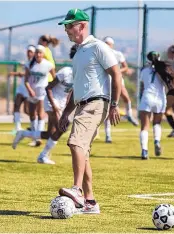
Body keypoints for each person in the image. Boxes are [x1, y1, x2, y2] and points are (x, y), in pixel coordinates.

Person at [56, 8, 122, 214]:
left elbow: (116, 74)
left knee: (75, 142)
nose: (66, 30)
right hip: (82, 104)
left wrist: (114, 104)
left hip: (95, 104)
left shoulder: (98, 47)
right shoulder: (78, 54)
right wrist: (66, 112)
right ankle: (90, 202)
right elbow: (76, 87)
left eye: (69, 25)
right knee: (82, 152)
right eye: (65, 26)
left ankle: (77, 190)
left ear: (82, 26)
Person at [12, 45, 77, 164]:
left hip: (60, 104)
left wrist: (66, 106)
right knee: (61, 127)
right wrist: (55, 105)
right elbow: (49, 88)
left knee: (50, 133)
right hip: (51, 101)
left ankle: (24, 134)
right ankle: (42, 156)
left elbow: (70, 92)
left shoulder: (80, 75)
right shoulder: (66, 72)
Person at [139, 51, 174, 159]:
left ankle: (144, 151)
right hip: (160, 99)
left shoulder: (144, 70)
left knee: (145, 127)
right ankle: (157, 141)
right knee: (157, 123)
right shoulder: (164, 69)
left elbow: (142, 86)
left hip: (147, 97)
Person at [12, 45, 55, 149]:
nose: (38, 55)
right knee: (32, 114)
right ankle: (34, 136)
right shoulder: (30, 64)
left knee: (41, 114)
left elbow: (54, 78)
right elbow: (26, 80)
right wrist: (30, 90)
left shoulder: (48, 65)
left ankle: (38, 138)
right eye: (37, 53)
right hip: (32, 91)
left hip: (42, 91)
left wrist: (51, 90)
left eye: (40, 53)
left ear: (43, 54)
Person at [102, 36, 138, 143]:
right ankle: (108, 135)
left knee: (126, 98)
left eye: (109, 43)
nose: (107, 45)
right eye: (106, 43)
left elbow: (125, 67)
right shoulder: (102, 54)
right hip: (106, 81)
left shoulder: (117, 54)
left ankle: (129, 115)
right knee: (109, 108)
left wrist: (117, 72)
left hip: (117, 79)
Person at [9, 45, 35, 131]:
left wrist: (17, 74)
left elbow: (29, 74)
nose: (29, 53)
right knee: (16, 105)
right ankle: (17, 127)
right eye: (28, 51)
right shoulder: (27, 62)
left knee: (27, 110)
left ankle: (35, 125)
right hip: (22, 88)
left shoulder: (35, 64)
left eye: (31, 52)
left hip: (29, 89)